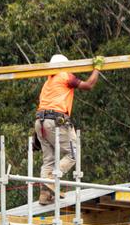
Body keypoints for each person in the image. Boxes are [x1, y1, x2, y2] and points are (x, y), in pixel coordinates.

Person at [35, 54, 104, 205]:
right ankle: (50, 181)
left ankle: (45, 195)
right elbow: (88, 85)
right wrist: (97, 68)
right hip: (55, 121)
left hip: (40, 122)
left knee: (48, 160)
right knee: (73, 153)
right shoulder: (65, 75)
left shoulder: (48, 82)